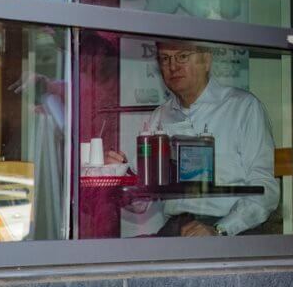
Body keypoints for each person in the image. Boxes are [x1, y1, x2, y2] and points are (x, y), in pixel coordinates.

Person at [106, 40, 279, 236]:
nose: (173, 66)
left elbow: (267, 190)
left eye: (182, 56)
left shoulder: (242, 107)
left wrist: (220, 229)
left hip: (232, 231)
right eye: (165, 58)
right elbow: (141, 204)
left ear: (206, 60)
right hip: (176, 229)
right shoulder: (160, 115)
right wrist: (122, 177)